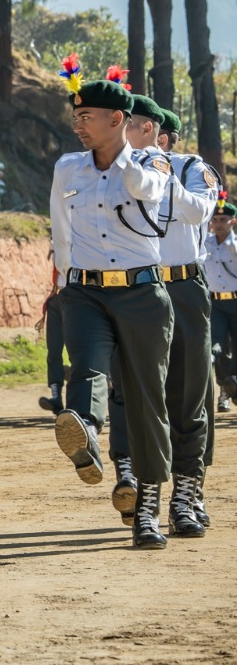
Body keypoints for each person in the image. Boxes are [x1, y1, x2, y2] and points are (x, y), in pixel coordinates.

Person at [48, 73, 174, 548]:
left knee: (145, 401)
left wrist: (119, 156)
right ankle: (86, 434)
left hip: (142, 294)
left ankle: (148, 507)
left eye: (86, 117)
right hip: (85, 291)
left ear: (117, 119)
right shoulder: (67, 168)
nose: (78, 125)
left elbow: (145, 189)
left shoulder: (152, 162)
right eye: (75, 117)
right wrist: (65, 281)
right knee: (85, 367)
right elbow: (60, 228)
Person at [110, 97, 216, 537]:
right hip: (139, 290)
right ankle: (147, 500)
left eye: (127, 126)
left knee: (189, 398)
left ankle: (187, 497)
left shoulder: (190, 166)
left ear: (151, 130)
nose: (119, 136)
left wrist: (161, 175)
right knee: (142, 400)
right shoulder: (112, 172)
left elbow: (198, 210)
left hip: (185, 288)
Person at [206, 196, 237, 415]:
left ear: (232, 221)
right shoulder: (204, 244)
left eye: (223, 219)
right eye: (215, 219)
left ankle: (234, 386)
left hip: (235, 301)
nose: (218, 223)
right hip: (215, 302)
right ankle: (224, 392)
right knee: (217, 347)